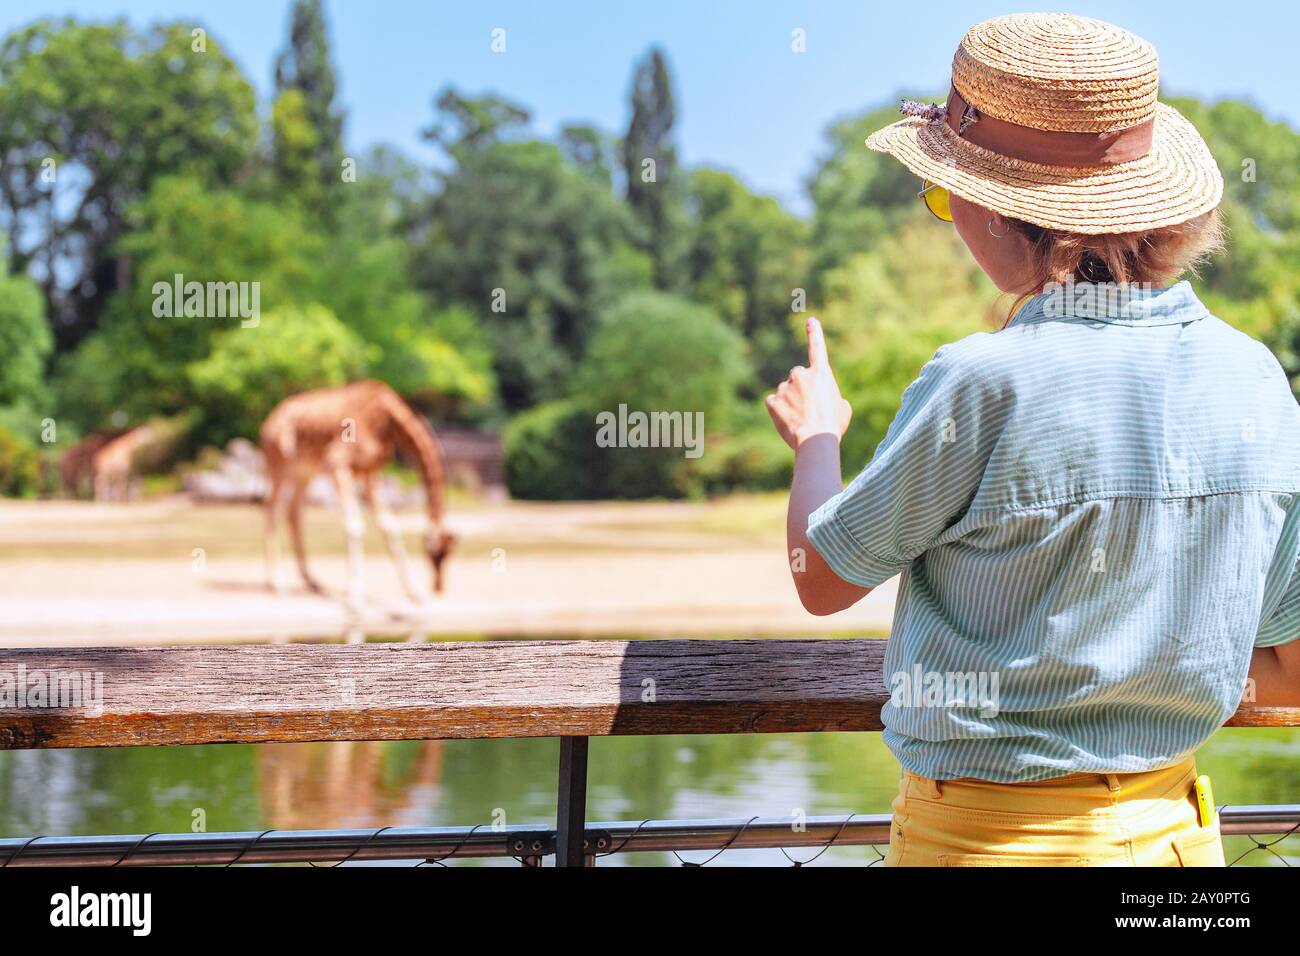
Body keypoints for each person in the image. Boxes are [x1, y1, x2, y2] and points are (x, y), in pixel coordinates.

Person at [765, 12, 1300, 866]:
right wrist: (1144, 684)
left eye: (946, 197)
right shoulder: (1257, 380)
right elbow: (1290, 666)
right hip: (1179, 839)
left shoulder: (983, 380)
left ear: (1007, 218)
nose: (950, 221)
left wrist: (817, 439)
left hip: (988, 841)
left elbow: (822, 578)